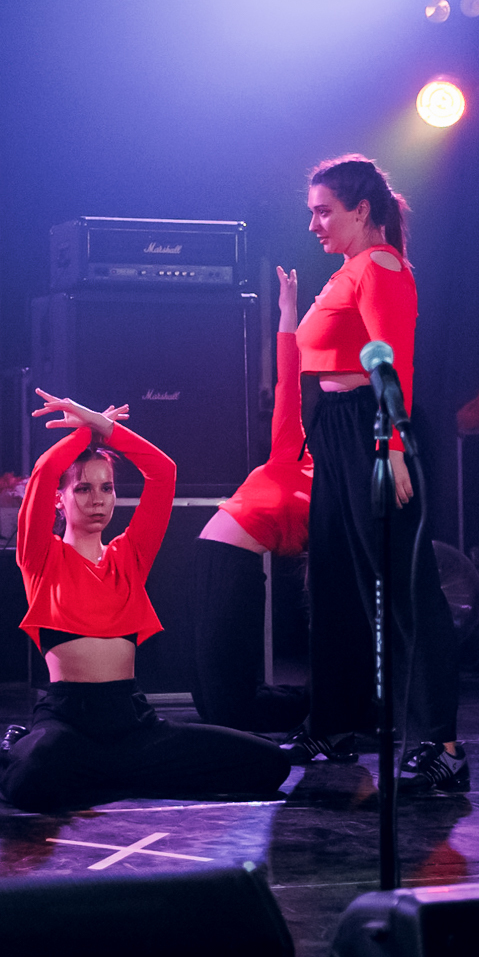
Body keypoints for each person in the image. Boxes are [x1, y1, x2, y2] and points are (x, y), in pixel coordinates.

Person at [0, 391, 293, 813]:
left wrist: (107, 429)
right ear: (60, 498)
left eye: (107, 488)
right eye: (83, 488)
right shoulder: (41, 557)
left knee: (270, 762)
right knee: (32, 777)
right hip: (68, 720)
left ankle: (110, 773)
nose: (98, 499)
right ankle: (22, 746)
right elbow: (44, 471)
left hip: (133, 722)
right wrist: (87, 431)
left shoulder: (129, 557)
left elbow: (162, 472)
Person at [292, 155, 464, 794]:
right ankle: (335, 725)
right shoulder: (347, 270)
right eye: (312, 212)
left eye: (324, 211)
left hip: (373, 429)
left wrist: (391, 447)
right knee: (334, 581)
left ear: (361, 210)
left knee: (405, 585)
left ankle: (441, 745)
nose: (314, 224)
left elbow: (392, 361)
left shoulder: (382, 267)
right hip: (338, 430)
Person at [192, 265, 313, 733]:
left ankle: (329, 707)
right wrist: (288, 311)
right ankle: (321, 704)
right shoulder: (293, 452)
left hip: (239, 570)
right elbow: (288, 381)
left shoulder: (343, 499)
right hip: (207, 558)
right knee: (210, 706)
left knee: (231, 710)